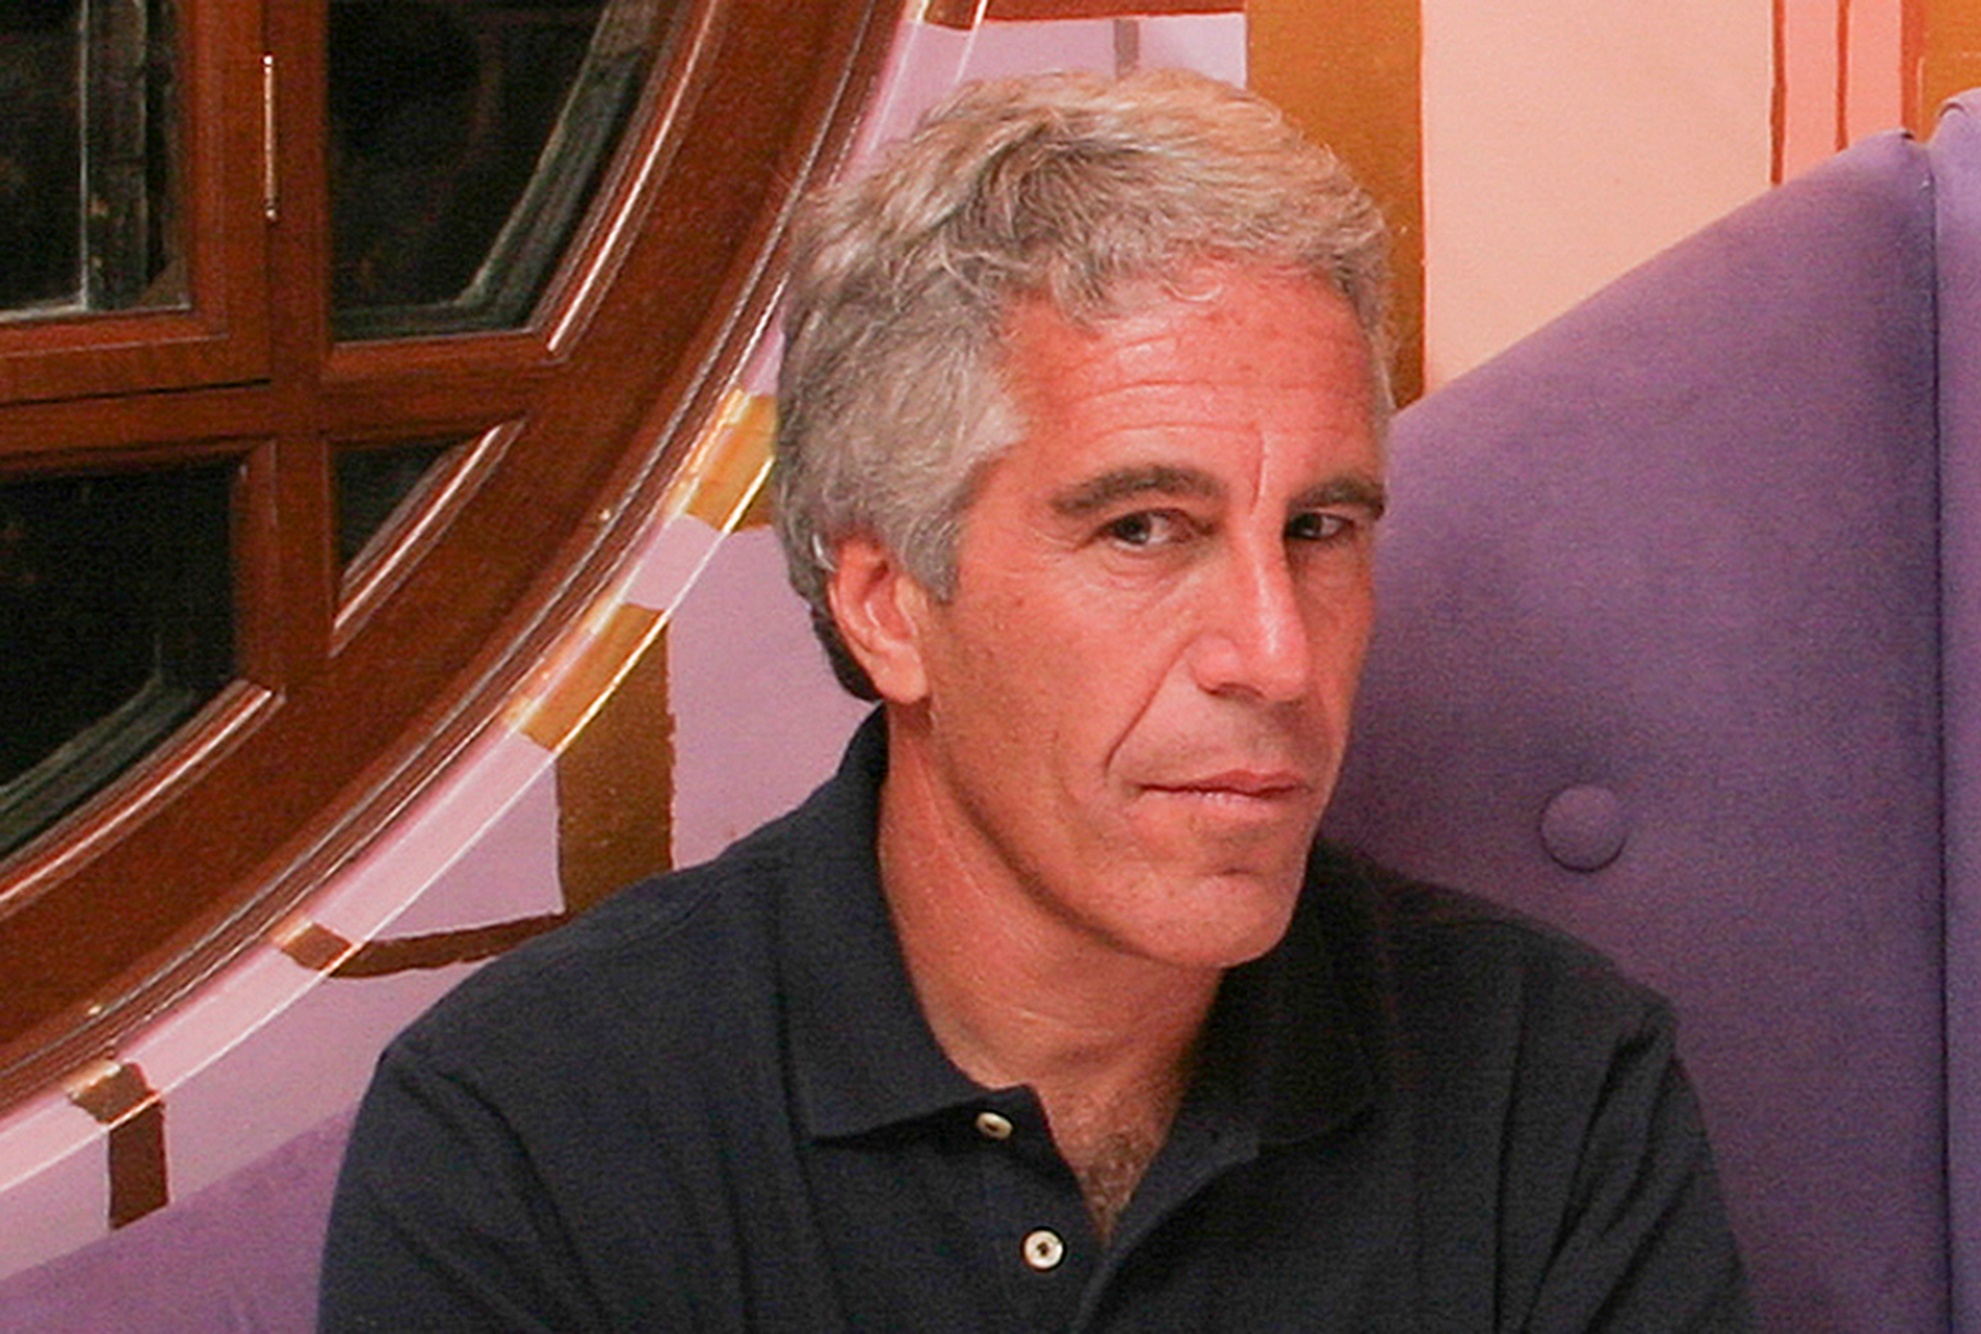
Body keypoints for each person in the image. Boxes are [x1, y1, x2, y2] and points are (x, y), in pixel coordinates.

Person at [320, 69, 1753, 1330]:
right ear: (889, 605)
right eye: (1144, 529)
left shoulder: (1549, 1084)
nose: (1279, 656)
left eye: (1319, 529)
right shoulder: (532, 1138)